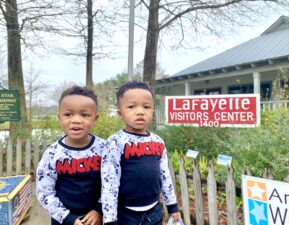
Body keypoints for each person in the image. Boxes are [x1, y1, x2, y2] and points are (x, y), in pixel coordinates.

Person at [101, 81, 182, 225]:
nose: (140, 111)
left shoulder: (158, 141)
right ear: (120, 113)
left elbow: (165, 176)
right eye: (131, 107)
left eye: (146, 107)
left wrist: (173, 207)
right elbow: (109, 183)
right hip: (125, 215)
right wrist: (109, 220)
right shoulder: (115, 142)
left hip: (154, 212)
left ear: (152, 111)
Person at [36, 85, 105, 225]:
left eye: (84, 115)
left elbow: (112, 184)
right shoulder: (53, 154)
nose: (76, 120)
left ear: (95, 119)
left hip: (96, 219)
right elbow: (44, 192)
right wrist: (68, 218)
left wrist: (99, 210)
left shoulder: (105, 149)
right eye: (68, 114)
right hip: (62, 220)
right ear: (59, 118)